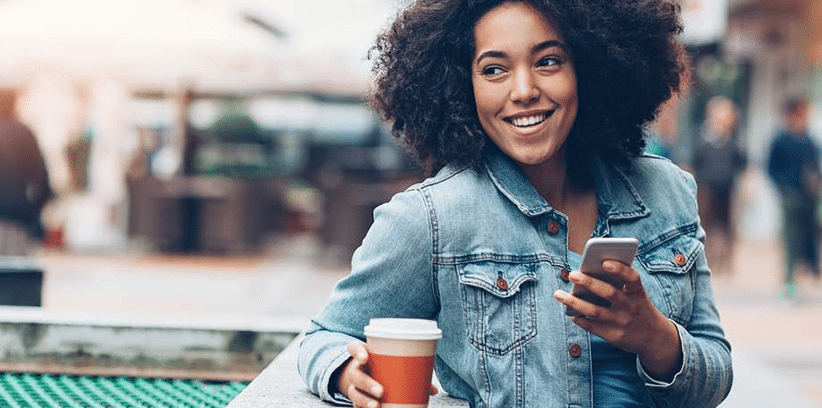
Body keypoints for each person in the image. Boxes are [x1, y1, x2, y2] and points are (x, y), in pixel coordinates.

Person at [298, 0, 733, 407]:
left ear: (589, 68)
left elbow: (717, 374)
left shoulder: (666, 191)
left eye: (548, 61)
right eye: (493, 69)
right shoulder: (430, 219)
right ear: (460, 85)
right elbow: (325, 337)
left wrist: (656, 337)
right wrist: (344, 373)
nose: (524, 90)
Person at [767, 97, 821, 304]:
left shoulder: (809, 139)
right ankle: (788, 282)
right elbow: (771, 168)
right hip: (789, 197)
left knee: (806, 240)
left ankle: (799, 277)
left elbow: (815, 165)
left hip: (808, 197)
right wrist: (784, 188)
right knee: (790, 239)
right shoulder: (780, 139)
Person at [692, 96, 747, 274]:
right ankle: (707, 261)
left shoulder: (733, 142)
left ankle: (726, 262)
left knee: (727, 227)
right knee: (706, 225)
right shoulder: (703, 140)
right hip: (707, 190)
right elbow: (695, 164)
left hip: (728, 189)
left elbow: (742, 165)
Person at [0, 87, 52, 255]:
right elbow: (41, 178)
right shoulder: (24, 133)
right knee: (15, 274)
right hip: (17, 220)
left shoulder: (22, 132)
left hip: (14, 215)